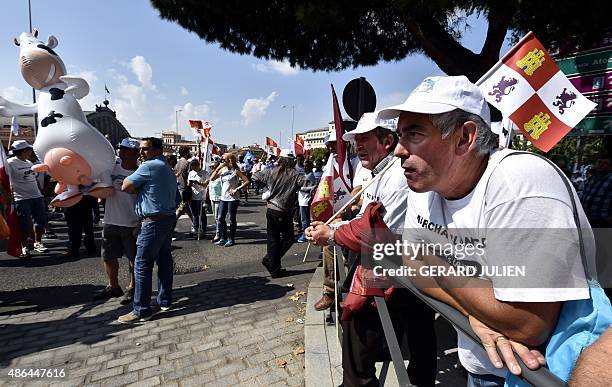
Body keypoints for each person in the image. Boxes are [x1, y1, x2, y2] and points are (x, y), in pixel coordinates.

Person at [382, 75, 609, 385]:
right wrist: (476, 314)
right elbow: (410, 263)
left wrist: (437, 266)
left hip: (542, 374)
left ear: (465, 138)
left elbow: (528, 325)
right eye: (399, 136)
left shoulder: (520, 183)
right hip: (480, 365)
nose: (398, 150)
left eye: (414, 134)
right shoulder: (426, 187)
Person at [306, 113, 438, 386]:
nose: (358, 146)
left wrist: (331, 233)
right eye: (355, 141)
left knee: (367, 319)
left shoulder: (398, 176)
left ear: (387, 140)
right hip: (392, 260)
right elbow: (364, 218)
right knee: (409, 327)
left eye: (364, 139)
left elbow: (377, 230)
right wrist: (335, 225)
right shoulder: (377, 173)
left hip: (402, 262)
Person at [118, 137, 177, 323]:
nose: (141, 152)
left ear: (157, 150)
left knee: (142, 265)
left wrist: (138, 187)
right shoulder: (166, 167)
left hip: (153, 221)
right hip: (167, 218)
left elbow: (125, 186)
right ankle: (164, 300)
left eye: (145, 148)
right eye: (141, 149)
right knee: (164, 260)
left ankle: (141, 310)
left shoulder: (149, 166)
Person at [93, 138, 140, 303]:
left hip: (132, 223)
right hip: (111, 220)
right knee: (108, 256)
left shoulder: (141, 172)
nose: (121, 151)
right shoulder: (112, 168)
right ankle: (113, 287)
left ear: (135, 153)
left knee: (133, 259)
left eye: (126, 149)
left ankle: (132, 288)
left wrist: (141, 223)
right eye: (121, 148)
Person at [253, 149, 307, 277]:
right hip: (283, 211)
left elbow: (255, 176)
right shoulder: (295, 174)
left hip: (271, 209)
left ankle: (273, 264)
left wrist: (266, 188)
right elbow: (308, 185)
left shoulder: (271, 170)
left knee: (273, 240)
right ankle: (272, 264)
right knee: (287, 239)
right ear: (292, 160)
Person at [7, 141, 48, 258]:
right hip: (21, 198)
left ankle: (38, 243)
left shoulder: (29, 162)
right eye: (29, 150)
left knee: (40, 222)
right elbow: (4, 178)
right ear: (24, 151)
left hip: (36, 196)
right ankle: (24, 246)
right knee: (24, 224)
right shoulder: (10, 163)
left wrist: (40, 191)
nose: (31, 152)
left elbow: (34, 179)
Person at [209, 153, 249, 247]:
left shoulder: (236, 171)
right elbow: (212, 178)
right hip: (223, 197)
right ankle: (223, 238)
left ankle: (231, 239)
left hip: (233, 198)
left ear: (229, 160)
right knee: (220, 218)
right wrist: (218, 168)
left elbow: (247, 181)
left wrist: (236, 189)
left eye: (223, 160)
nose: (222, 161)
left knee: (231, 218)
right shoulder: (222, 170)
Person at [187, 159, 210, 237]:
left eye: (194, 167)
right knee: (194, 214)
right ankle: (195, 228)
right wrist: (190, 183)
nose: (193, 169)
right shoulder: (191, 173)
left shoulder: (205, 173)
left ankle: (204, 229)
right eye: (192, 168)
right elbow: (188, 184)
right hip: (192, 196)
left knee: (202, 214)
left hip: (201, 196)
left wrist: (198, 183)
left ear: (198, 165)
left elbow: (206, 184)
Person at [296, 160, 316, 243]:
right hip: (302, 199)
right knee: (303, 219)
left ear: (311, 167)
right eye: (304, 166)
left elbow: (312, 187)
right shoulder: (305, 174)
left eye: (306, 166)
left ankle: (305, 235)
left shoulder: (310, 175)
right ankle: (305, 233)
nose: (304, 167)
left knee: (305, 220)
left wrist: (301, 188)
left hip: (306, 200)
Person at [208, 159, 223, 242]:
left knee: (218, 217)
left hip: (219, 198)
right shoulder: (211, 176)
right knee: (215, 217)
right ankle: (219, 232)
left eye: (213, 167)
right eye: (211, 167)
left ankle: (218, 234)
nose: (211, 168)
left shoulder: (220, 176)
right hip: (212, 198)